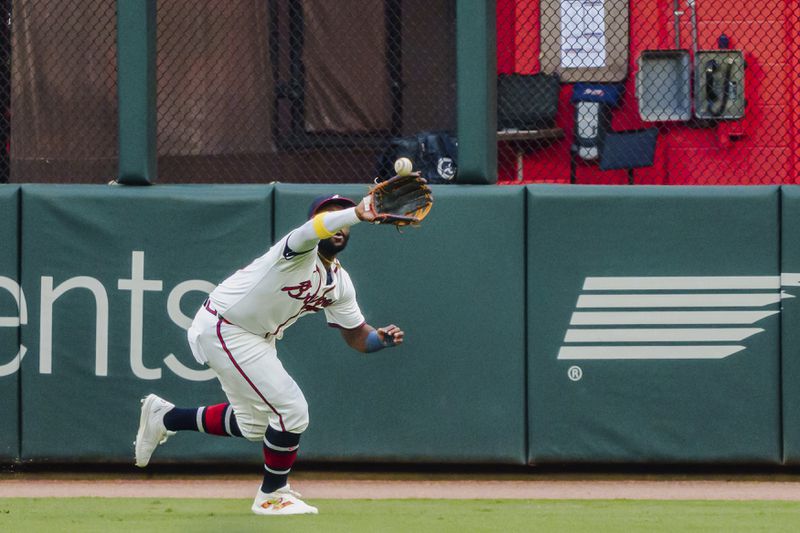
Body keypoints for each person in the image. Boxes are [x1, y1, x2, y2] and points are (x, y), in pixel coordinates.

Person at [134, 193, 404, 516]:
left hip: (256, 337)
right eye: (332, 214)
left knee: (254, 425)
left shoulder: (340, 284)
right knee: (293, 410)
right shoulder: (296, 250)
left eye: (342, 215)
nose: (339, 221)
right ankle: (272, 494)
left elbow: (357, 336)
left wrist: (379, 339)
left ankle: (165, 416)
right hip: (225, 325)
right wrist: (355, 213)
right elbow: (315, 228)